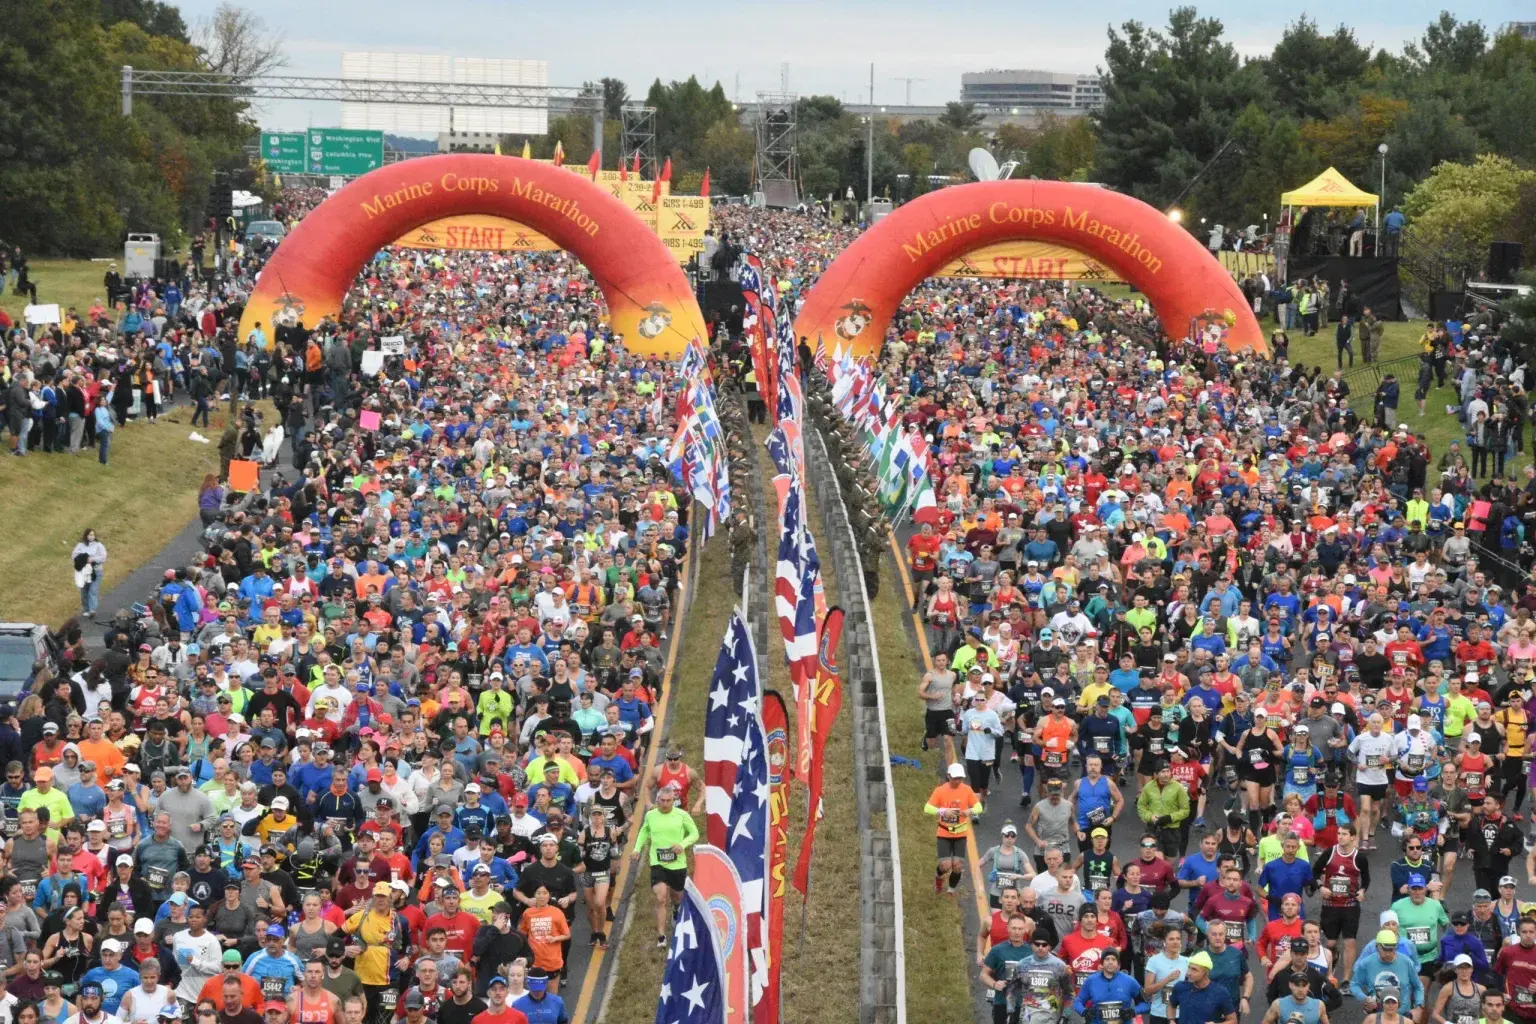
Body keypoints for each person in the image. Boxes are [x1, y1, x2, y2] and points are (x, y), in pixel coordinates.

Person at [926, 762, 982, 897]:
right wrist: (942, 811)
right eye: (955, 778)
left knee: (957, 865)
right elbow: (927, 808)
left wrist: (970, 811)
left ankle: (951, 890)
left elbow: (979, 807)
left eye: (960, 778)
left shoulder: (967, 790)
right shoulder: (940, 791)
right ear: (948, 776)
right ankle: (938, 878)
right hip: (944, 833)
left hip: (960, 834)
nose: (958, 781)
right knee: (945, 865)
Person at [1072, 950, 1147, 1024]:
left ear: (1118, 964)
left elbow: (1146, 1003)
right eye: (1107, 959)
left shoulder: (1130, 981)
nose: (1110, 962)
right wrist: (1084, 1011)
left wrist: (1133, 1011)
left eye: (1113, 959)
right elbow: (1078, 1002)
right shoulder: (1091, 981)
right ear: (1102, 963)